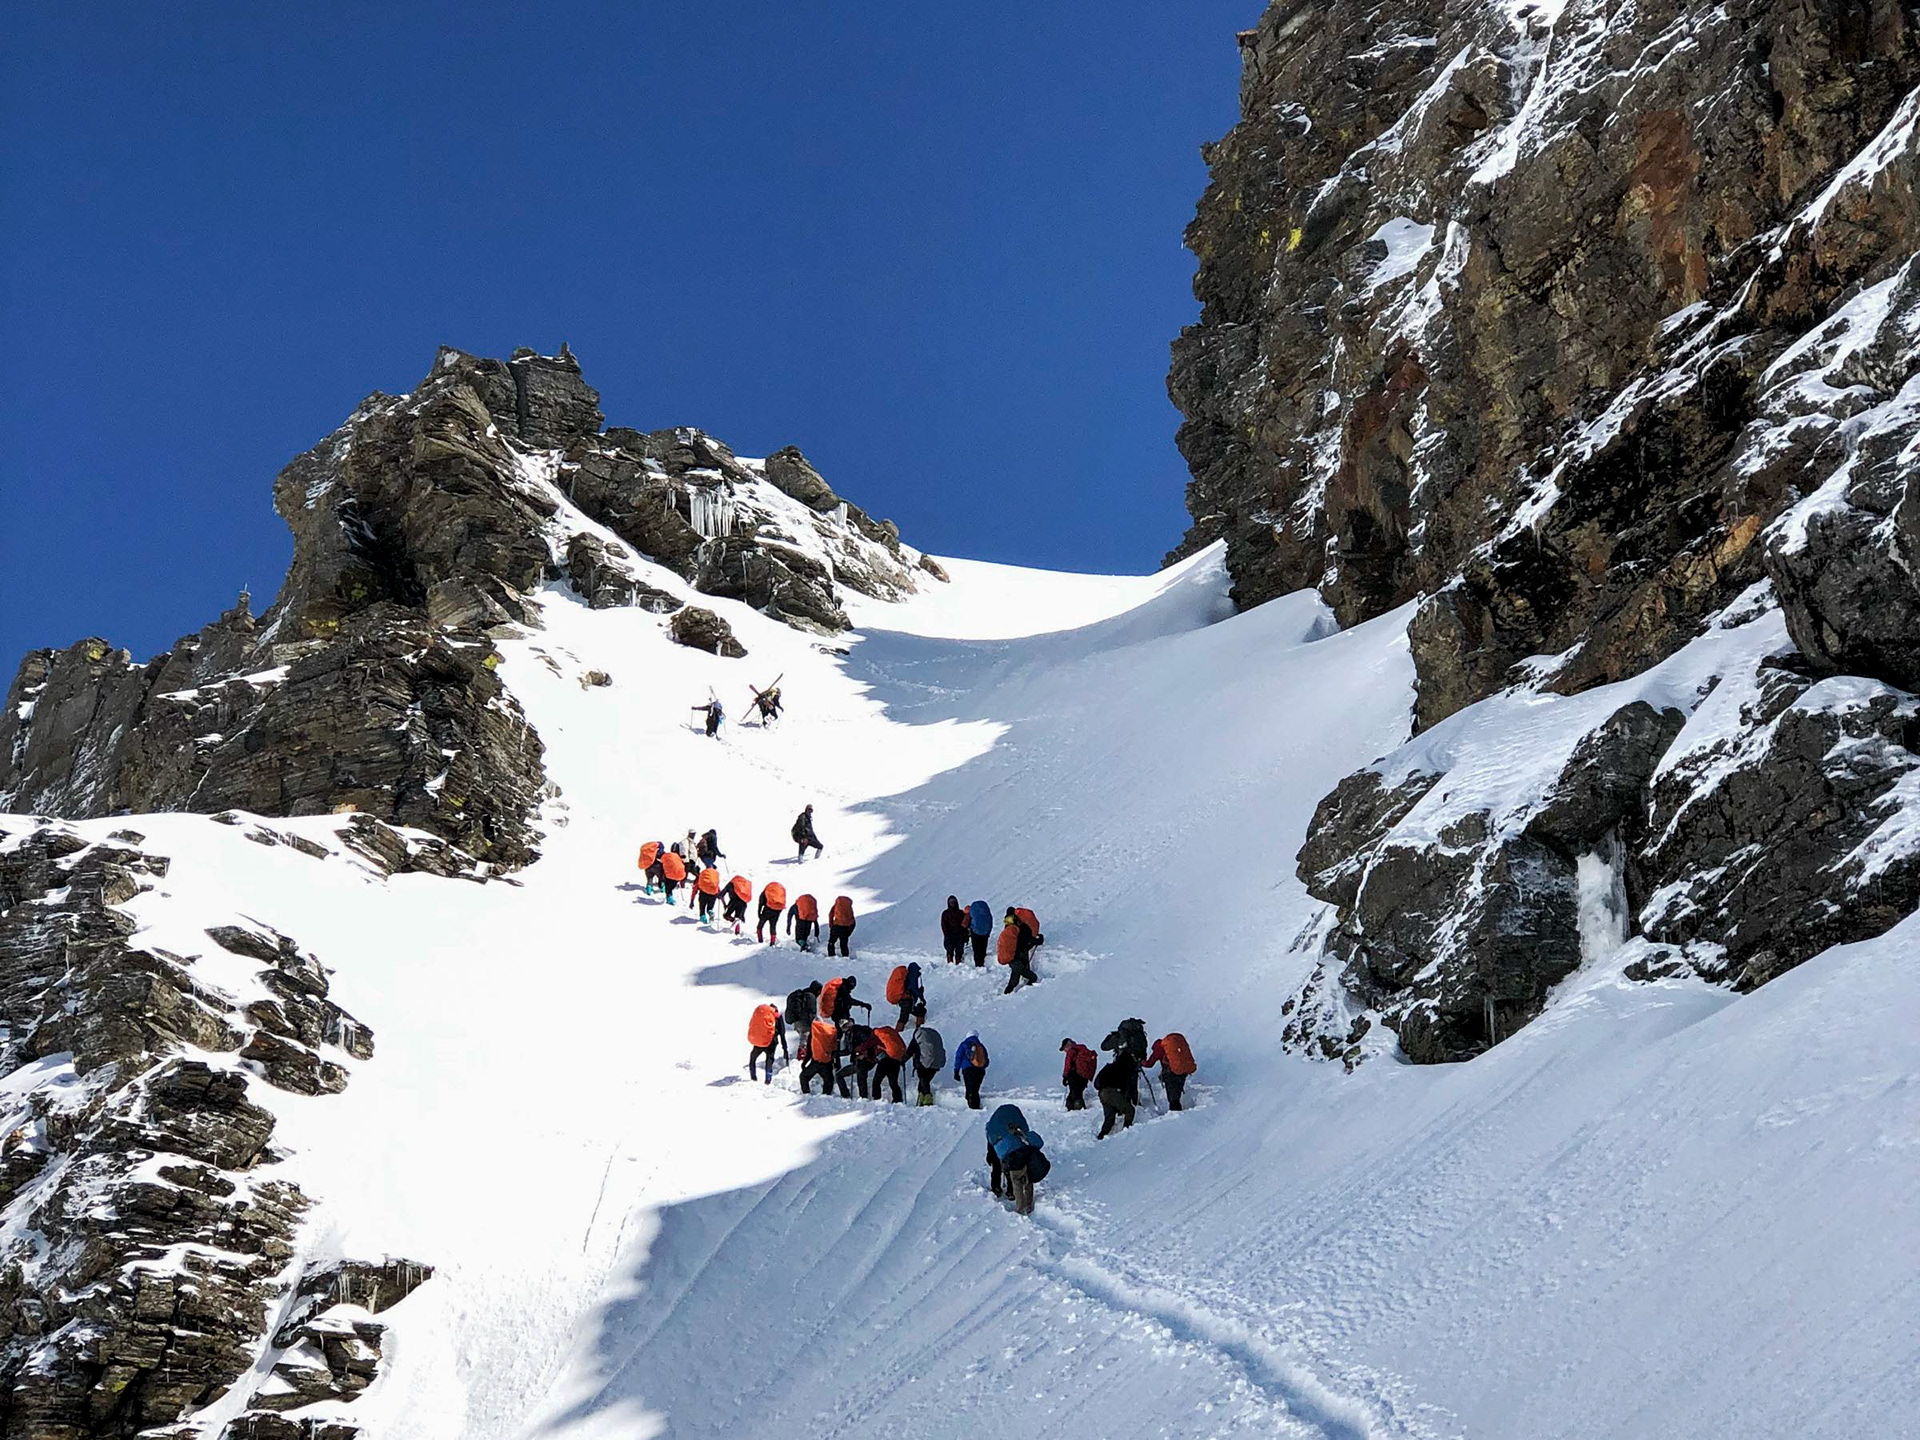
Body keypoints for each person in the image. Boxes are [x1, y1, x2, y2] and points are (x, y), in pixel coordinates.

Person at [985, 1104, 1049, 1217]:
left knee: (1016, 1182)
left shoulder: (996, 1129)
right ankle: (1027, 1204)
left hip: (1012, 1160)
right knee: (1028, 1182)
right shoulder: (1022, 1132)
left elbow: (997, 1148)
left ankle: (1017, 1206)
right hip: (1026, 1157)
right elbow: (1037, 1142)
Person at [1145, 1032, 1197, 1111]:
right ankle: (1179, 1112)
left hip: (1171, 1074)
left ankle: (1176, 1115)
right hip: (1182, 1072)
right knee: (1177, 1094)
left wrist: (1141, 1062)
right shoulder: (1171, 1048)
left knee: (1173, 1098)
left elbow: (1149, 1064)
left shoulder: (1158, 1049)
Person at [1094, 1051, 1139, 1139]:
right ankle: (1127, 1131)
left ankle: (1101, 1136)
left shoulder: (1109, 1067)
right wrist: (1133, 1099)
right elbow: (1129, 1087)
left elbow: (1096, 1083)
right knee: (1130, 1110)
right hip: (1112, 1092)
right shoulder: (1126, 1069)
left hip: (1102, 1093)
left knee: (1110, 1117)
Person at [998, 907, 1042, 993]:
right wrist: (1038, 941)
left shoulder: (1007, 924)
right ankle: (1031, 979)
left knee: (1017, 969)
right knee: (1020, 969)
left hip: (1011, 952)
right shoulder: (1020, 926)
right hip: (1021, 951)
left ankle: (1011, 988)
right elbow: (1027, 938)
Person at [802, 1017, 848, 1097]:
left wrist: (805, 1062)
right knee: (829, 1081)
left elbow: (810, 1049)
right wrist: (837, 1064)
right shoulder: (831, 1032)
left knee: (803, 1077)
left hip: (815, 1062)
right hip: (827, 1063)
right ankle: (826, 1096)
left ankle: (806, 1095)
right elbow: (835, 1049)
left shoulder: (814, 1033)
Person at [747, 1002, 788, 1083]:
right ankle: (768, 1079)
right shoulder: (778, 1017)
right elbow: (782, 1033)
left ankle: (753, 1076)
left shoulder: (762, 1017)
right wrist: (785, 1048)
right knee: (769, 1060)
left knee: (753, 1057)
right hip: (772, 1042)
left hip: (760, 1041)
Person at [907, 1023, 944, 1105]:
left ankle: (927, 1098)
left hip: (923, 1062)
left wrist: (902, 1061)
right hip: (936, 1062)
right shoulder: (932, 1035)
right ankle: (922, 1097)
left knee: (923, 1079)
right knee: (925, 1081)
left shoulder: (917, 1037)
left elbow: (910, 1050)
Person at [871, 1024, 909, 1103]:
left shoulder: (876, 1038)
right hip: (896, 1061)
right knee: (893, 1083)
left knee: (876, 1082)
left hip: (885, 1062)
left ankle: (876, 1099)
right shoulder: (891, 1036)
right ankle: (898, 1100)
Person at [952, 1032, 989, 1110]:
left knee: (970, 1089)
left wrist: (956, 1070)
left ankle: (973, 1108)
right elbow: (987, 1061)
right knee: (975, 1089)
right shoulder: (981, 1046)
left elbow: (958, 1057)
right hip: (980, 1071)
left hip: (968, 1070)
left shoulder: (964, 1044)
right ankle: (973, 1105)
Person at [1059, 1038, 1096, 1111]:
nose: (1065, 1051)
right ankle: (1075, 1108)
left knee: (1075, 1093)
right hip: (1085, 1076)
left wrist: (1065, 1076)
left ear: (1067, 1045)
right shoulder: (1082, 1049)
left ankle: (1076, 1109)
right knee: (1078, 1092)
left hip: (1075, 1075)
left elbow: (1068, 1064)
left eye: (1064, 1048)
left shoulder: (1071, 1051)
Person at [847, 1023, 881, 1099]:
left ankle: (863, 1097)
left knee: (861, 1078)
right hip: (867, 1061)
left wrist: (863, 1055)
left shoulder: (858, 1034)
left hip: (865, 1061)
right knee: (861, 1078)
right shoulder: (861, 1033)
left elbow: (870, 1047)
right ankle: (863, 1096)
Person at [885, 962, 925, 1027]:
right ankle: (918, 1026)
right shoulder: (912, 976)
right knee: (905, 1016)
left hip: (902, 998)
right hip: (906, 1000)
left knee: (911, 1011)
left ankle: (917, 1025)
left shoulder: (906, 976)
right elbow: (914, 989)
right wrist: (921, 996)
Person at [940, 897, 970, 964]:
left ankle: (958, 964)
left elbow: (964, 925)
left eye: (954, 901)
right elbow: (943, 925)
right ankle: (950, 965)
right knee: (949, 950)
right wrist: (946, 934)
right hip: (950, 935)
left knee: (959, 951)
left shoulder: (960, 913)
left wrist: (965, 935)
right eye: (951, 902)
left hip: (959, 935)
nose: (952, 903)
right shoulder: (945, 913)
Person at [968, 900, 993, 966]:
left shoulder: (973, 911)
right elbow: (990, 920)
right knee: (983, 948)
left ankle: (978, 964)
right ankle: (983, 961)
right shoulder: (985, 913)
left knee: (976, 949)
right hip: (985, 932)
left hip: (976, 932)